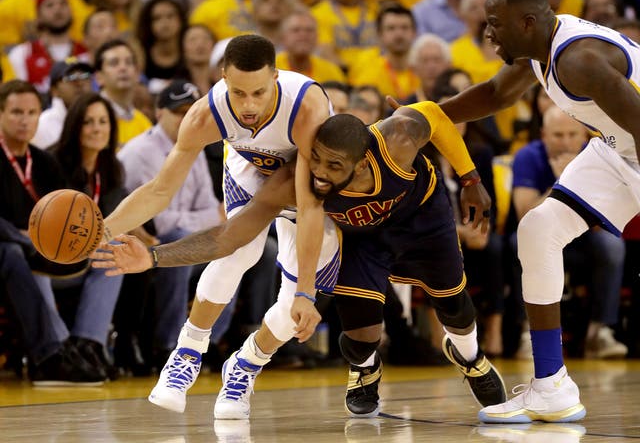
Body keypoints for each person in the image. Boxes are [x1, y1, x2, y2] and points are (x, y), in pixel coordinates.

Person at [94, 104, 507, 419]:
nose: (320, 175)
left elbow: (434, 114)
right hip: (367, 239)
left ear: (363, 162)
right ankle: (363, 370)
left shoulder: (398, 138)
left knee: (455, 307)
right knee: (359, 323)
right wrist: (151, 257)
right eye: (317, 159)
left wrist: (470, 179)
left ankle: (470, 358)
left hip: (423, 217)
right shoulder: (298, 180)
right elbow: (229, 235)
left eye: (334, 166)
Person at [409, 0, 640, 423]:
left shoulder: (580, 60)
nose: (487, 33)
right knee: (539, 229)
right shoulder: (540, 50)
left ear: (527, 22)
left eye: (495, 24)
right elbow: (495, 94)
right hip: (620, 147)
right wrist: (427, 116)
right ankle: (551, 385)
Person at [92, 34, 341, 419]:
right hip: (250, 171)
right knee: (240, 250)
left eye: (258, 92)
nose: (248, 105)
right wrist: (101, 231)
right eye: (238, 93)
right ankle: (187, 353)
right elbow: (160, 191)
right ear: (222, 77)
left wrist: (306, 292)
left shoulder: (306, 107)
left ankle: (246, 363)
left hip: (303, 186)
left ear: (276, 77)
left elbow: (309, 206)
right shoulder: (205, 114)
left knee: (293, 309)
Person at [0, 79, 103, 385]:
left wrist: (88, 239)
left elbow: (71, 211)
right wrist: (25, 237)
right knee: (17, 253)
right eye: (16, 112)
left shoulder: (45, 161)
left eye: (32, 112)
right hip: (11, 251)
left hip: (39, 253)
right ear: (1, 114)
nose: (25, 119)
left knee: (106, 259)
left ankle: (87, 345)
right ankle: (48, 356)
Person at [117, 80, 222, 368]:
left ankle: (207, 342)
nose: (188, 117)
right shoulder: (139, 152)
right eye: (180, 111)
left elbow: (212, 210)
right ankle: (167, 345)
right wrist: (207, 220)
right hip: (146, 242)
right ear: (158, 112)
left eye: (193, 111)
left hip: (183, 235)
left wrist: (208, 220)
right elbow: (160, 223)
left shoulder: (195, 146)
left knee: (235, 247)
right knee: (179, 246)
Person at [508, 105, 627, 359]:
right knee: (519, 243)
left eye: (572, 134)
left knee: (612, 245)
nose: (565, 142)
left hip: (584, 236)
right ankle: (527, 333)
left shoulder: (596, 156)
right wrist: (562, 181)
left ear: (585, 135)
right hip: (542, 235)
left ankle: (600, 332)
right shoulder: (528, 157)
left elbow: (604, 220)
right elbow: (525, 216)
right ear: (543, 135)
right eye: (557, 135)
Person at [51, 92, 128, 379]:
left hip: (90, 259)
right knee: (111, 253)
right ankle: (77, 346)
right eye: (88, 122)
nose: (97, 128)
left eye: (103, 122)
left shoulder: (111, 169)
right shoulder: (52, 163)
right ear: (75, 127)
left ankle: (89, 344)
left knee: (118, 249)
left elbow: (116, 222)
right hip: (54, 260)